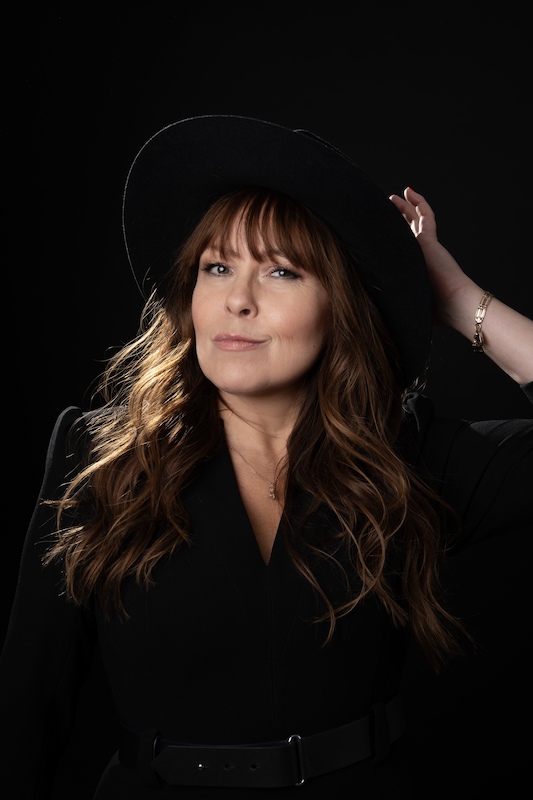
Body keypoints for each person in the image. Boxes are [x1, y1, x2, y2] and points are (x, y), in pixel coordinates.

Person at [1, 115, 532, 800]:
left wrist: (457, 299)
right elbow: (24, 713)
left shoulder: (406, 456)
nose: (237, 301)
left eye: (282, 271)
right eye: (216, 267)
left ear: (340, 304)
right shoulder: (98, 457)